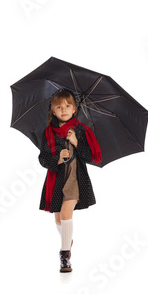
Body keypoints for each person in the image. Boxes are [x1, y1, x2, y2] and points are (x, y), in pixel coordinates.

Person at [38, 88, 103, 273]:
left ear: (75, 109)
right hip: (57, 179)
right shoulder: (48, 133)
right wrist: (58, 157)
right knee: (58, 218)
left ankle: (64, 255)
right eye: (59, 107)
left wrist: (76, 142)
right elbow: (42, 158)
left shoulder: (81, 131)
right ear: (53, 111)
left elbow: (89, 156)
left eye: (68, 106)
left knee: (66, 214)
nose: (64, 109)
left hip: (75, 178)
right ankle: (68, 239)